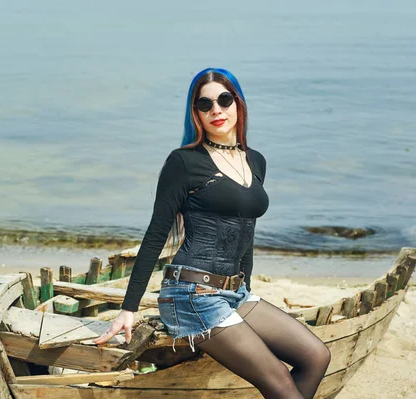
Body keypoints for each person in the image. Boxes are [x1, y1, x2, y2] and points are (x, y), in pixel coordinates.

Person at [94, 68, 331, 399]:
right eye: (205, 105)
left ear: (238, 103)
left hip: (235, 292)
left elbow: (247, 230)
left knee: (317, 356)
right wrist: (128, 308)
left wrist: (245, 283)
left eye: (223, 99)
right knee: (278, 380)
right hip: (192, 294)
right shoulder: (184, 163)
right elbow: (155, 235)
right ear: (196, 114)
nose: (216, 110)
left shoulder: (256, 161)